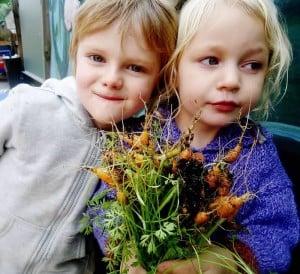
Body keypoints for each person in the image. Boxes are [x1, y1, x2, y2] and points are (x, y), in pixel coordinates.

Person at [0, 0, 177, 273]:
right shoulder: (29, 107)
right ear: (75, 53)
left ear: (158, 82)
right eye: (97, 58)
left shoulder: (140, 153)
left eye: (135, 67)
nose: (111, 79)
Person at [153, 0, 299, 273]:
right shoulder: (147, 134)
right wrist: (124, 251)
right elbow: (105, 204)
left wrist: (230, 260)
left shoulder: (257, 153)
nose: (231, 80)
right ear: (173, 67)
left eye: (252, 65)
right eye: (211, 60)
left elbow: (278, 230)